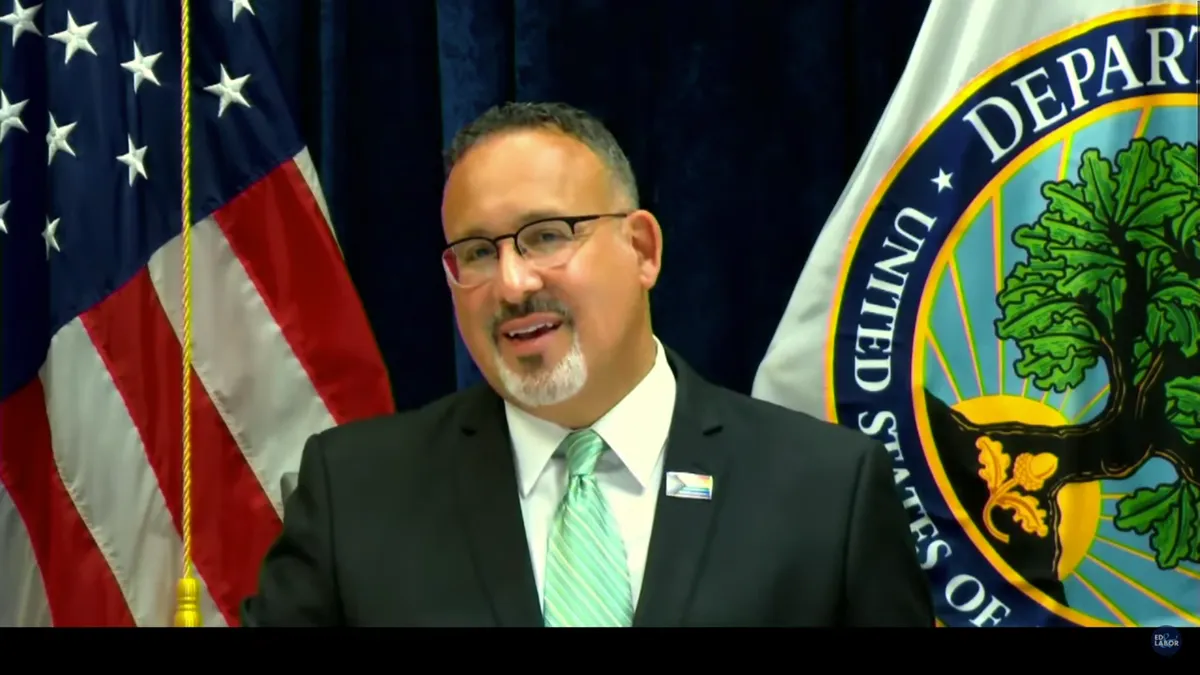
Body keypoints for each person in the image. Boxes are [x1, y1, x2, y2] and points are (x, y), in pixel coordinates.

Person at [240, 102, 935, 627]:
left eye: (546, 236)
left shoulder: (825, 491)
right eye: (478, 253)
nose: (512, 283)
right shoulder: (355, 493)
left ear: (642, 249)